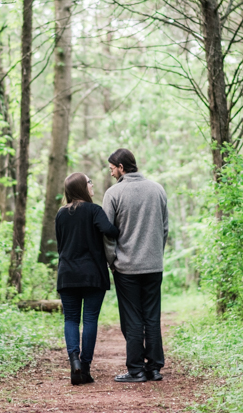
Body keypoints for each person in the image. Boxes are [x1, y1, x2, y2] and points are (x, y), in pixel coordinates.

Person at [102, 148, 168, 383]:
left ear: (121, 167)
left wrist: (113, 262)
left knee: (132, 318)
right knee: (151, 316)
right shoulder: (158, 189)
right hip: (153, 266)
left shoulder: (113, 193)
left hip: (127, 268)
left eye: (112, 168)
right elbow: (164, 228)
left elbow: (107, 235)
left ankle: (136, 370)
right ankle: (154, 369)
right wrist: (155, 256)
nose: (110, 173)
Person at [56, 172, 120, 385]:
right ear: (82, 188)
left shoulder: (60, 214)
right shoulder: (94, 211)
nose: (92, 185)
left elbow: (60, 245)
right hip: (92, 274)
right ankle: (84, 368)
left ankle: (73, 359)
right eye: (89, 182)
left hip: (67, 274)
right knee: (90, 319)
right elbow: (110, 231)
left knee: (71, 319)